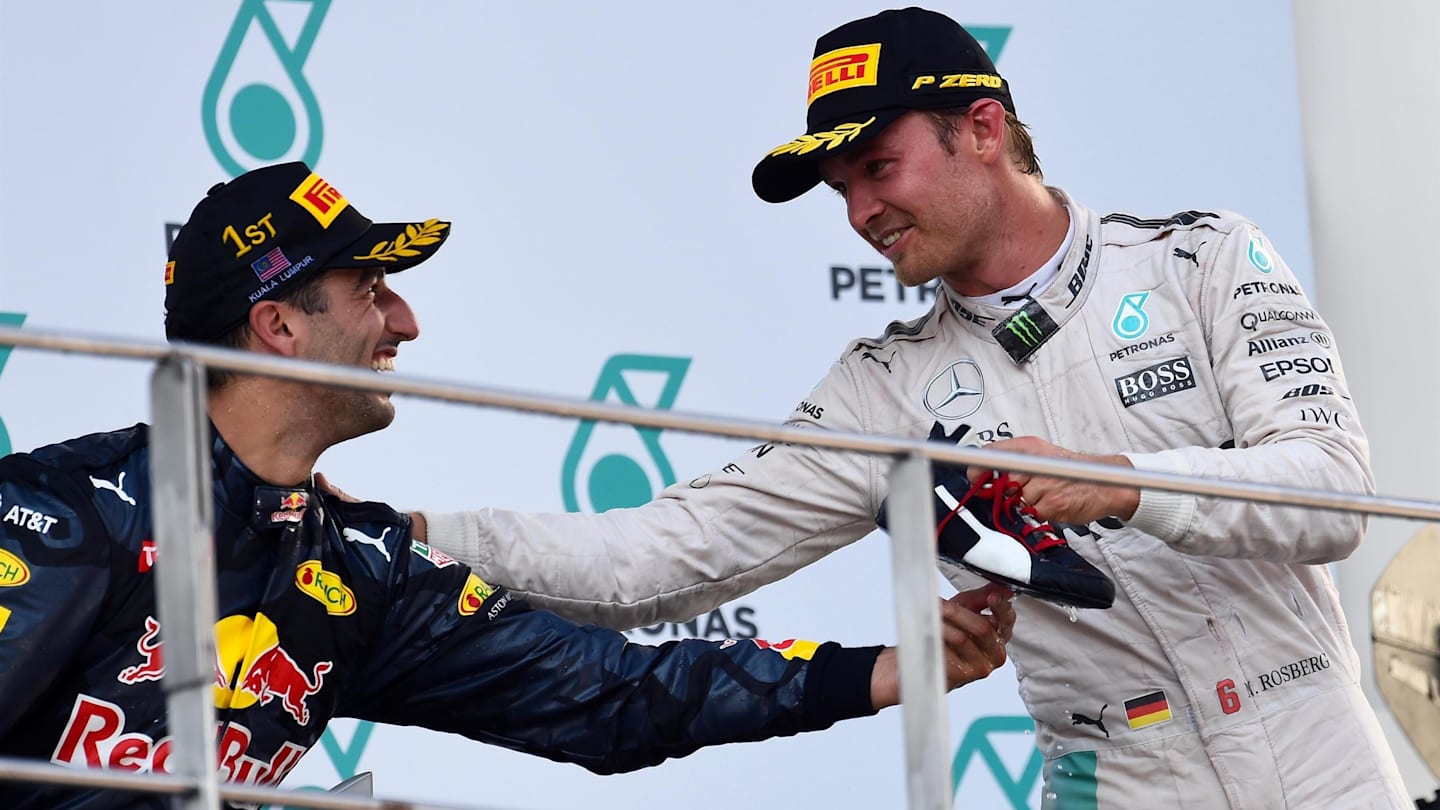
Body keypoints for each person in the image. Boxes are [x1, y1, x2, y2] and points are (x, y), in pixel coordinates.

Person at [411, 8, 1412, 807]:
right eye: (841, 188)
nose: (858, 214)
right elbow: (658, 563)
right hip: (1117, 777)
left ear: (983, 128)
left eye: (878, 169)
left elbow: (1336, 496)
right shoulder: (880, 391)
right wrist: (409, 537)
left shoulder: (1203, 260)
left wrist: (1122, 486)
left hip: (1325, 761)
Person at [0, 161, 1017, 808]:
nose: (405, 325)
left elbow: (612, 697)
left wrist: (885, 668)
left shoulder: (358, 571)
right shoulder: (71, 512)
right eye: (373, 293)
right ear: (279, 325)